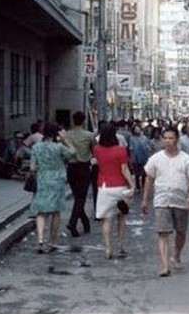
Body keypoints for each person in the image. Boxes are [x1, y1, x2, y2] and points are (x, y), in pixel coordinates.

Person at [142, 127, 189, 276]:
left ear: (177, 139)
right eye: (165, 138)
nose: (168, 141)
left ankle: (176, 255)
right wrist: (145, 200)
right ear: (162, 139)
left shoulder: (185, 158)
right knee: (163, 233)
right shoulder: (155, 159)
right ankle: (165, 265)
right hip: (162, 200)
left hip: (180, 200)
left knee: (181, 232)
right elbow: (149, 178)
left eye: (171, 138)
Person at [93, 123, 136, 259]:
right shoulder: (121, 150)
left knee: (106, 220)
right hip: (120, 187)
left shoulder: (97, 149)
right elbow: (124, 169)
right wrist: (133, 185)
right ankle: (121, 245)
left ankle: (107, 248)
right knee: (122, 217)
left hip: (104, 187)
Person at [29, 123, 74, 253]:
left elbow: (32, 168)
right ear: (56, 134)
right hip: (58, 181)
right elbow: (73, 152)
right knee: (56, 212)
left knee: (41, 212)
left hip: (42, 180)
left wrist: (40, 169)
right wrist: (65, 140)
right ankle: (52, 241)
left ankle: (40, 239)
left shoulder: (36, 147)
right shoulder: (59, 147)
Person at [61, 111, 94, 237]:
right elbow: (94, 150)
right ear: (84, 121)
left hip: (71, 168)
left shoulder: (67, 136)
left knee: (77, 198)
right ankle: (72, 222)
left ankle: (85, 222)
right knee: (81, 198)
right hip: (84, 168)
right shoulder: (89, 135)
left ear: (73, 121)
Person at [128, 124, 153, 192]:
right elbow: (131, 149)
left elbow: (147, 147)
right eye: (136, 129)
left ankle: (144, 186)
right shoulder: (132, 138)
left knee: (144, 173)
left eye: (138, 129)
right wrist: (131, 159)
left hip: (144, 158)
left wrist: (149, 156)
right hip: (135, 158)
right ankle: (138, 187)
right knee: (137, 174)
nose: (137, 130)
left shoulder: (144, 138)